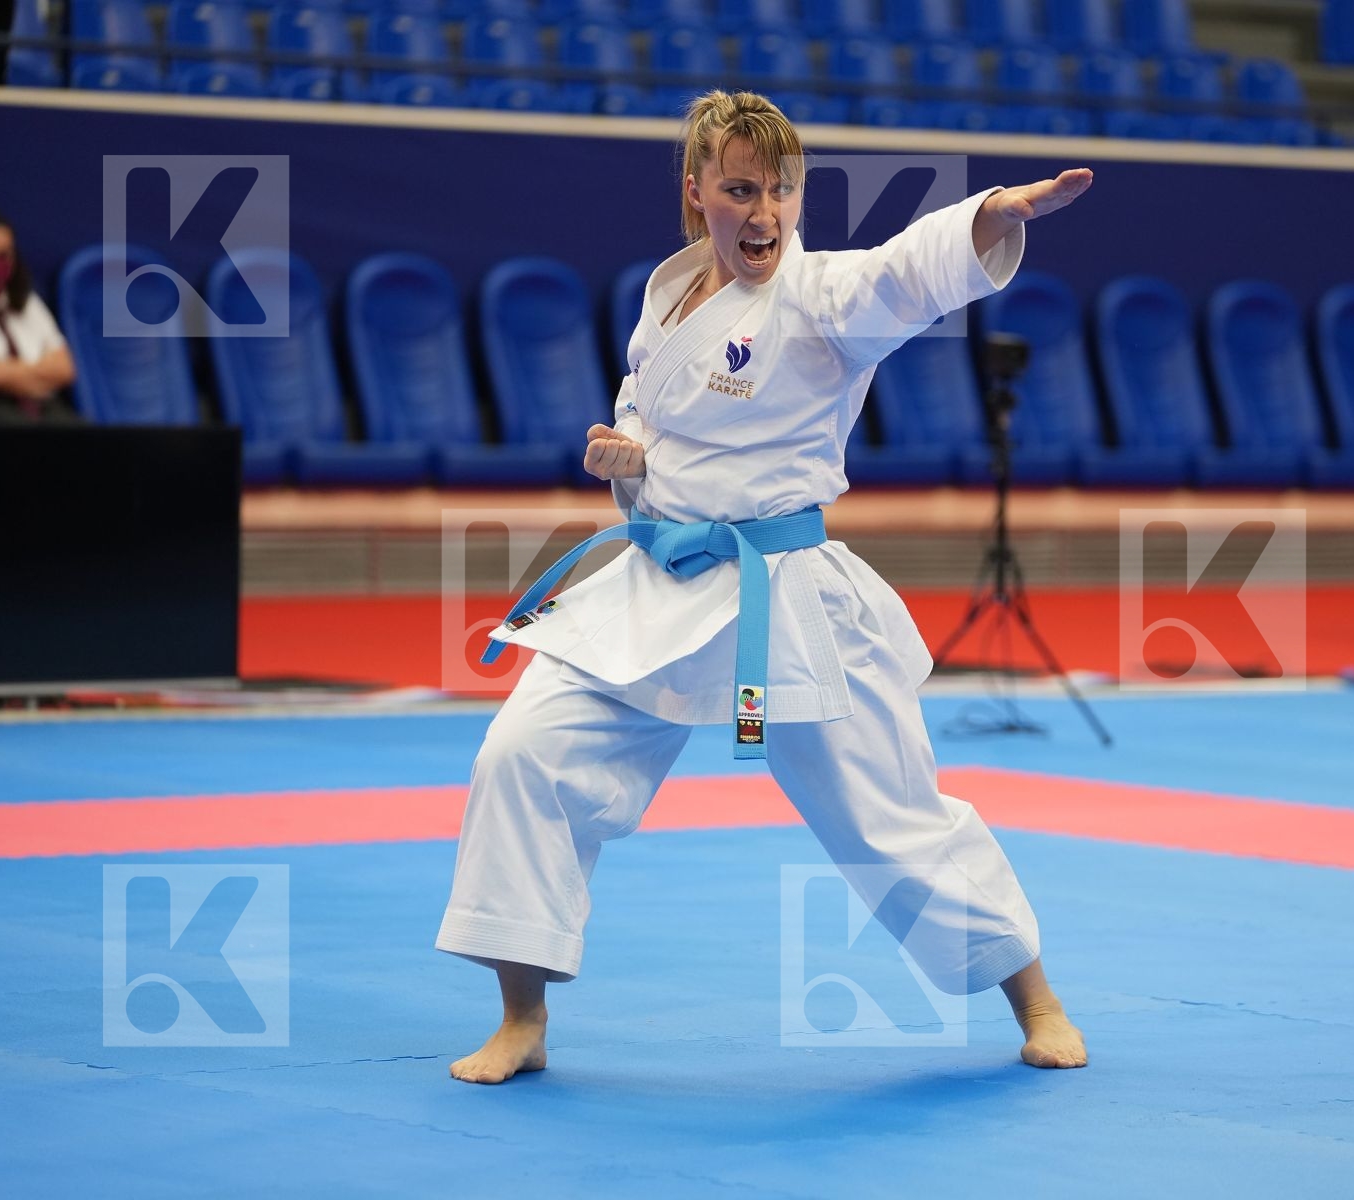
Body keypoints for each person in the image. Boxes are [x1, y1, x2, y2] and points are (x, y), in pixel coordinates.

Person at [436, 90, 1094, 1084]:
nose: (766, 213)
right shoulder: (668, 295)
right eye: (741, 189)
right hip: (658, 578)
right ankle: (521, 1017)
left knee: (890, 816)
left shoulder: (819, 298)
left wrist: (989, 216)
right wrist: (630, 453)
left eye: (782, 189)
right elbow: (651, 406)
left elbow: (900, 274)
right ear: (696, 190)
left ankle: (1035, 997)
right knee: (522, 757)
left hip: (784, 592)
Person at [0, 209, 78, 424]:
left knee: (82, 433)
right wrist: (39, 371)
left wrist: (13, 372)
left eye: (3, 255)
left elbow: (65, 368)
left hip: (43, 406)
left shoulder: (28, 303)